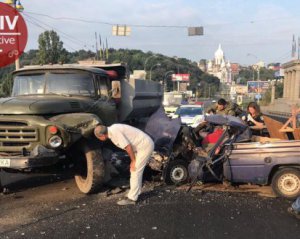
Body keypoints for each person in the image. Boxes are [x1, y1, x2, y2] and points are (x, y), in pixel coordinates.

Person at [94, 124, 154, 206]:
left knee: (135, 170)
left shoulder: (115, 133)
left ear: (103, 135)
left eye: (99, 138)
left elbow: (128, 147)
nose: (99, 140)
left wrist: (133, 161)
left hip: (144, 146)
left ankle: (132, 198)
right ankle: (136, 192)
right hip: (140, 146)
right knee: (134, 170)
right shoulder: (112, 129)